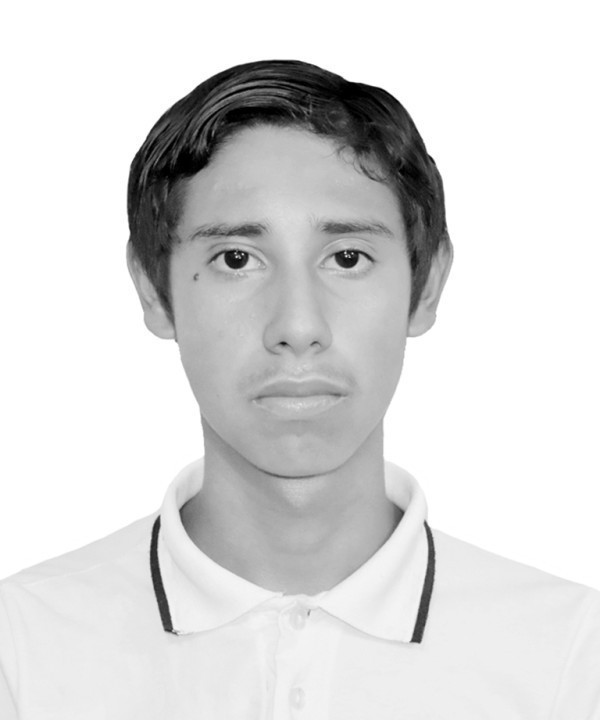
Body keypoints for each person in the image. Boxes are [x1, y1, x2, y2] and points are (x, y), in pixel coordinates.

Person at [0, 59, 598, 719]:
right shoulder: (22, 649)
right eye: (236, 259)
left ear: (426, 285)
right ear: (153, 290)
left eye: (347, 258)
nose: (297, 327)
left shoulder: (569, 656)